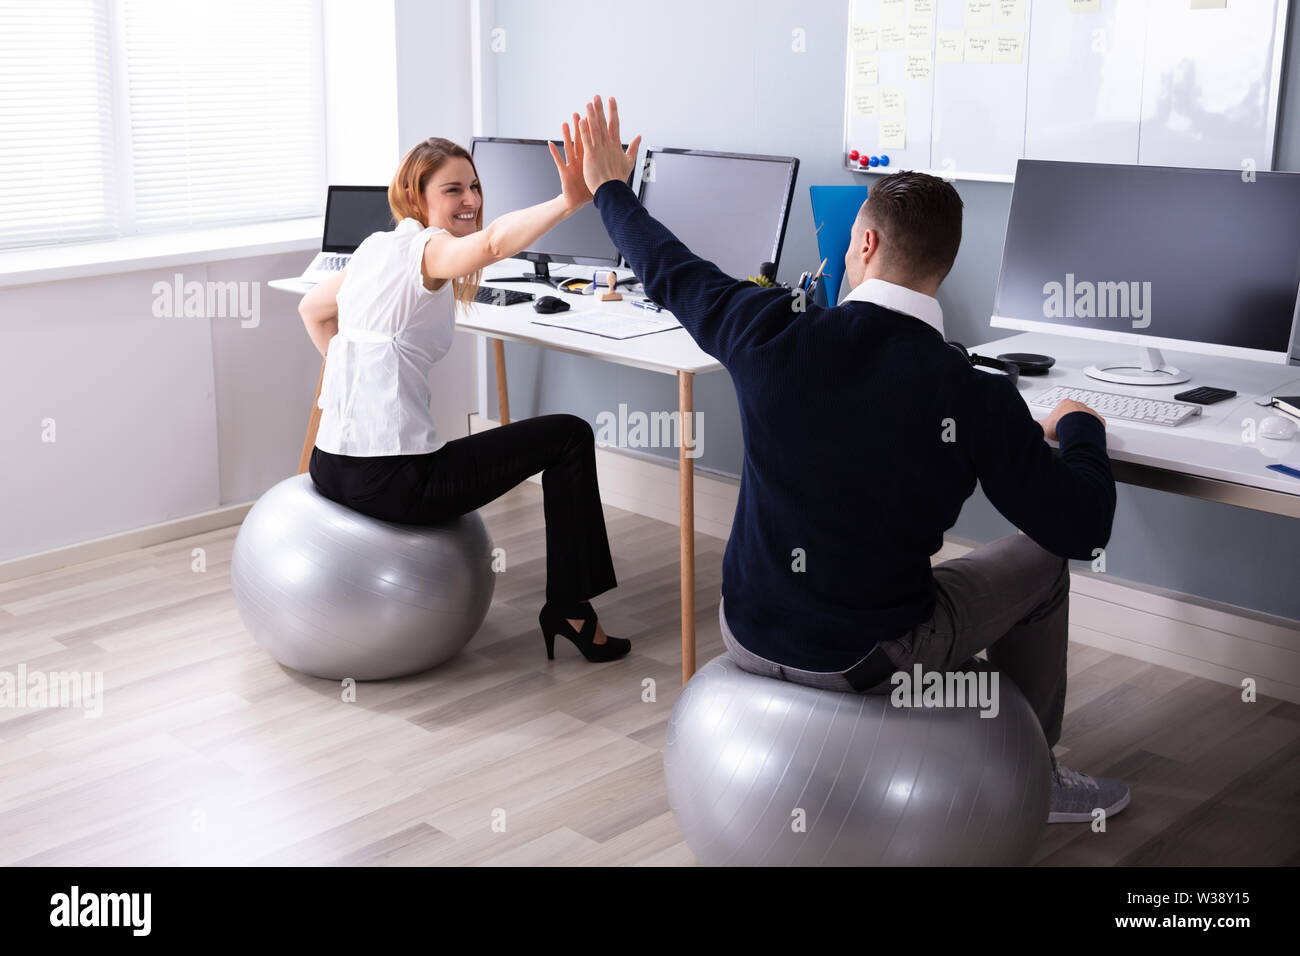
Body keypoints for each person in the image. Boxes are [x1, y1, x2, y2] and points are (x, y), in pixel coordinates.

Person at [573, 94, 1127, 823]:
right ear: (946, 263)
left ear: (863, 246)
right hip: (871, 657)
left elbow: (669, 268)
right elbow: (1082, 529)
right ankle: (1039, 775)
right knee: (1041, 564)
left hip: (745, 629)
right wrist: (1082, 429)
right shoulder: (976, 394)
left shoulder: (763, 329)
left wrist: (609, 186)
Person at [297, 119, 628, 663]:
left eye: (474, 186)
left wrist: (361, 379)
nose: (470, 199)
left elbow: (312, 310)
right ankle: (570, 609)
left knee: (548, 437)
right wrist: (572, 200)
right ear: (415, 196)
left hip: (331, 466)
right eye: (453, 189)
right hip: (394, 483)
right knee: (570, 435)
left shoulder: (374, 249)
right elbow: (495, 242)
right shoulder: (427, 250)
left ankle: (571, 606)